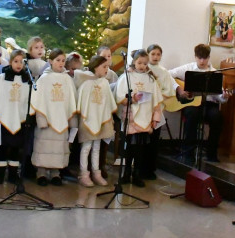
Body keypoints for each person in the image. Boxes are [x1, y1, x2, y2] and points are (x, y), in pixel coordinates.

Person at [112, 49, 163, 188]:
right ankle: (126, 172)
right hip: (131, 117)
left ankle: (137, 174)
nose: (142, 66)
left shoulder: (150, 79)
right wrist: (132, 98)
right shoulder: (127, 77)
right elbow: (120, 97)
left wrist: (155, 118)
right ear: (134, 62)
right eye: (139, 63)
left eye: (145, 63)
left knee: (140, 148)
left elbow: (157, 101)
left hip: (145, 116)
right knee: (129, 148)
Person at [170, 44, 227, 163]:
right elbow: (168, 74)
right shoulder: (188, 68)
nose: (202, 61)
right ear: (195, 57)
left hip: (209, 104)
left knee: (217, 117)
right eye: (199, 58)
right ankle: (188, 152)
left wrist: (224, 97)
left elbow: (219, 97)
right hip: (191, 103)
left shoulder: (214, 73)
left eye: (205, 58)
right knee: (192, 113)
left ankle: (212, 153)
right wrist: (178, 89)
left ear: (209, 57)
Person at [31, 49, 77, 186]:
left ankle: (56, 173)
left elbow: (72, 101)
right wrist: (41, 119)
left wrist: (71, 121)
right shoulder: (44, 79)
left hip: (62, 119)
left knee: (58, 148)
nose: (61, 63)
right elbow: (38, 101)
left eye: (63, 60)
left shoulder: (67, 79)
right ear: (50, 61)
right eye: (58, 60)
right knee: (44, 145)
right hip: (47, 120)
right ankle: (41, 172)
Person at [0, 50, 34, 185]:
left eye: (21, 62)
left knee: (16, 147)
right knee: (1, 147)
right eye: (16, 61)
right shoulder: (2, 78)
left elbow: (30, 101)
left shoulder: (28, 81)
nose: (19, 64)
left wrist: (28, 119)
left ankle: (13, 175)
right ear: (10, 62)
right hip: (3, 118)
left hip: (20, 119)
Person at [75, 55, 117, 187]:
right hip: (88, 119)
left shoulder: (104, 83)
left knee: (97, 148)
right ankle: (83, 174)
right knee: (86, 147)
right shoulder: (86, 83)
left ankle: (96, 173)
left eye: (108, 67)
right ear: (95, 67)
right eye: (104, 67)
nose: (106, 69)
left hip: (100, 120)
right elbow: (82, 103)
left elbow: (108, 102)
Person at [144, 44, 176, 180]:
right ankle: (139, 167)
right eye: (153, 54)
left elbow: (169, 91)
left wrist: (157, 97)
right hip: (144, 109)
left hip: (157, 109)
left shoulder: (163, 72)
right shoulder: (143, 69)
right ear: (148, 55)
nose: (156, 57)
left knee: (154, 141)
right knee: (142, 140)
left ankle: (150, 168)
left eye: (158, 54)